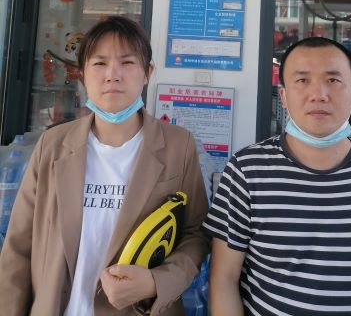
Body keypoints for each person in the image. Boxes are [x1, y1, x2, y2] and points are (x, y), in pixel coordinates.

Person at [204, 36, 351, 316]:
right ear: (284, 97)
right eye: (302, 80)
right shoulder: (245, 172)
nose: (319, 94)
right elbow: (223, 281)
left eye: (333, 80)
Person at [0, 16, 209, 316]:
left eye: (127, 63)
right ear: (82, 74)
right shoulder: (52, 145)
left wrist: (156, 282)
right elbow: (18, 247)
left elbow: (195, 234)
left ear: (147, 73)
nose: (113, 75)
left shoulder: (179, 146)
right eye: (99, 63)